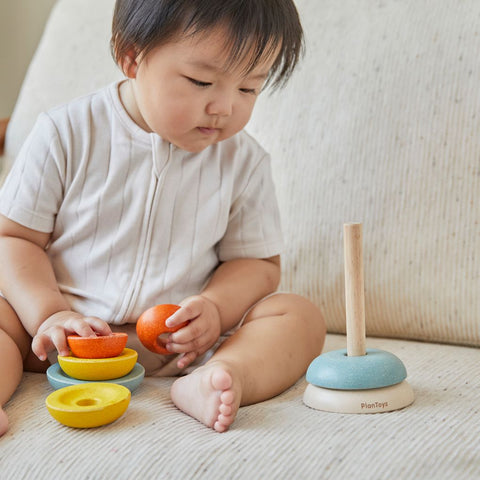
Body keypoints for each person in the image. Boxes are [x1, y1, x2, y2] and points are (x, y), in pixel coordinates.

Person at [0, 0, 326, 435]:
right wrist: (48, 315)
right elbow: (13, 239)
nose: (225, 107)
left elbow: (259, 266)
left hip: (177, 350)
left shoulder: (243, 162)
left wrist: (213, 309)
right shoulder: (65, 133)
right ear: (132, 56)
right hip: (56, 339)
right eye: (202, 81)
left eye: (249, 88)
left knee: (298, 316)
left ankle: (219, 380)